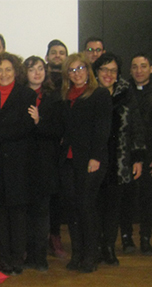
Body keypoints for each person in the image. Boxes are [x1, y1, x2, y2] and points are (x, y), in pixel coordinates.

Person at [0, 52, 37, 275]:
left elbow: (25, 129)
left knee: (18, 215)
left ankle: (16, 259)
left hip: (20, 164)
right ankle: (4, 259)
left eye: (8, 70)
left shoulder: (27, 95)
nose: (4, 74)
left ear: (16, 72)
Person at [58, 53, 112, 273]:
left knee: (86, 206)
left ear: (88, 70)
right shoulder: (65, 96)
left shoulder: (99, 94)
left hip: (91, 160)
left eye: (80, 68)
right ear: (67, 75)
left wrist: (95, 157)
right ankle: (77, 253)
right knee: (72, 208)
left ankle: (91, 255)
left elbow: (103, 129)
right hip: (68, 160)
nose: (77, 73)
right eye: (72, 70)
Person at [92, 52, 145, 266]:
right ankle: (95, 247)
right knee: (94, 207)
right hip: (94, 160)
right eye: (104, 69)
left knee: (113, 209)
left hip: (119, 161)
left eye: (113, 70)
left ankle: (108, 248)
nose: (108, 74)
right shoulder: (89, 92)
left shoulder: (126, 93)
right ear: (96, 72)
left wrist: (138, 158)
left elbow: (136, 127)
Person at [121, 53, 152, 256]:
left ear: (151, 69)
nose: (139, 70)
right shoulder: (121, 92)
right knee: (126, 197)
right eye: (135, 66)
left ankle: (146, 238)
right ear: (130, 71)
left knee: (148, 198)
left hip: (151, 155)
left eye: (143, 66)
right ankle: (126, 238)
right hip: (126, 153)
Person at [22, 56, 62, 272]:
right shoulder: (19, 96)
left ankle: (40, 256)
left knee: (42, 212)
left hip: (46, 162)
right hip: (23, 162)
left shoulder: (53, 98)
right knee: (26, 212)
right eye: (31, 69)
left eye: (40, 69)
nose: (37, 73)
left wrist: (39, 121)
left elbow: (58, 130)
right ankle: (28, 254)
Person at [44, 40, 70, 259]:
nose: (58, 56)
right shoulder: (41, 83)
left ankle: (55, 235)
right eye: (54, 53)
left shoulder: (72, 82)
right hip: (46, 145)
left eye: (62, 53)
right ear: (47, 57)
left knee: (58, 197)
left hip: (65, 147)